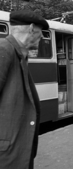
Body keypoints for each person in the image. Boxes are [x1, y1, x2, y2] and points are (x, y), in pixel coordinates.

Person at [0, 10, 49, 169]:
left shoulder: (19, 54)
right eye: (41, 33)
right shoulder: (4, 50)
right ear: (31, 28)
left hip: (17, 151)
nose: (41, 37)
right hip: (6, 155)